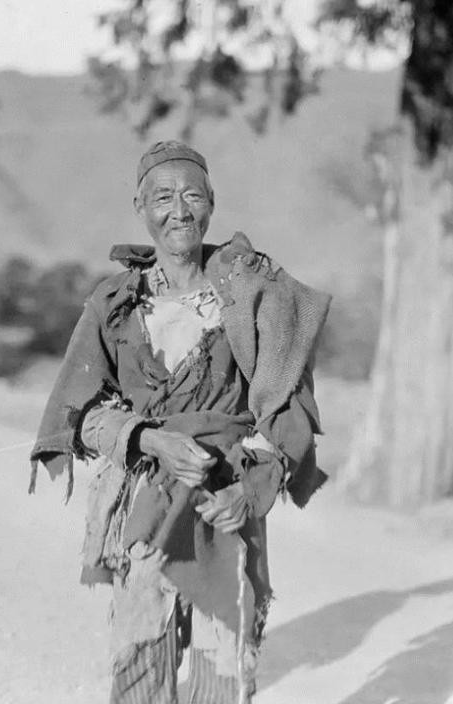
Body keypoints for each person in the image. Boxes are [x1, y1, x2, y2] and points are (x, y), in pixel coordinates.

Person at [30, 140, 331, 704]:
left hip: (225, 500)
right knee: (142, 660)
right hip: (145, 503)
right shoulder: (114, 304)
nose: (179, 211)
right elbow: (79, 413)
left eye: (192, 196)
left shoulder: (252, 293)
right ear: (140, 207)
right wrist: (149, 439)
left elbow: (289, 410)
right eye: (163, 197)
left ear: (212, 202)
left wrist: (251, 490)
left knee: (222, 674)